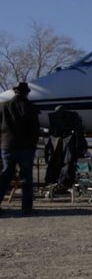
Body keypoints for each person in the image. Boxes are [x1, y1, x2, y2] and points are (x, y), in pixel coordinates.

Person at [0, 82, 41, 216]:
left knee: (5, 176)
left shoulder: (3, 106)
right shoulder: (30, 108)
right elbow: (35, 129)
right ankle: (27, 208)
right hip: (26, 146)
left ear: (14, 91)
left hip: (7, 145)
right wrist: (33, 144)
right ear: (27, 92)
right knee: (26, 178)